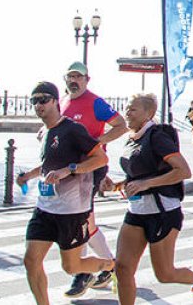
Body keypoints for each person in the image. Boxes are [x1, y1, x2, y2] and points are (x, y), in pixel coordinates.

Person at [109, 93, 193, 304]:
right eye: (126, 108)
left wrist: (145, 184)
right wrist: (119, 184)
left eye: (132, 109)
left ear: (149, 113)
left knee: (165, 274)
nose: (127, 113)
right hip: (137, 211)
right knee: (122, 268)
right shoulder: (133, 137)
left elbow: (184, 171)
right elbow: (142, 171)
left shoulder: (157, 137)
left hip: (162, 213)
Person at [17, 81, 114, 305]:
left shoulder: (73, 129)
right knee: (31, 260)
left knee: (71, 266)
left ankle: (110, 265)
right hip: (45, 208)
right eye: (34, 101)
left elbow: (100, 158)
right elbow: (48, 165)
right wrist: (28, 177)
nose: (38, 105)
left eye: (43, 99)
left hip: (71, 211)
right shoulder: (45, 132)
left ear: (55, 101)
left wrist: (69, 170)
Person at [59, 61, 128, 296]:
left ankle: (84, 271)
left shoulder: (95, 102)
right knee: (83, 221)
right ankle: (109, 265)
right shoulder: (63, 102)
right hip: (69, 170)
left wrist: (97, 143)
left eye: (78, 77)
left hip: (89, 167)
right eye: (70, 77)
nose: (73, 81)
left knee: (80, 219)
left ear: (87, 80)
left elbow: (121, 125)